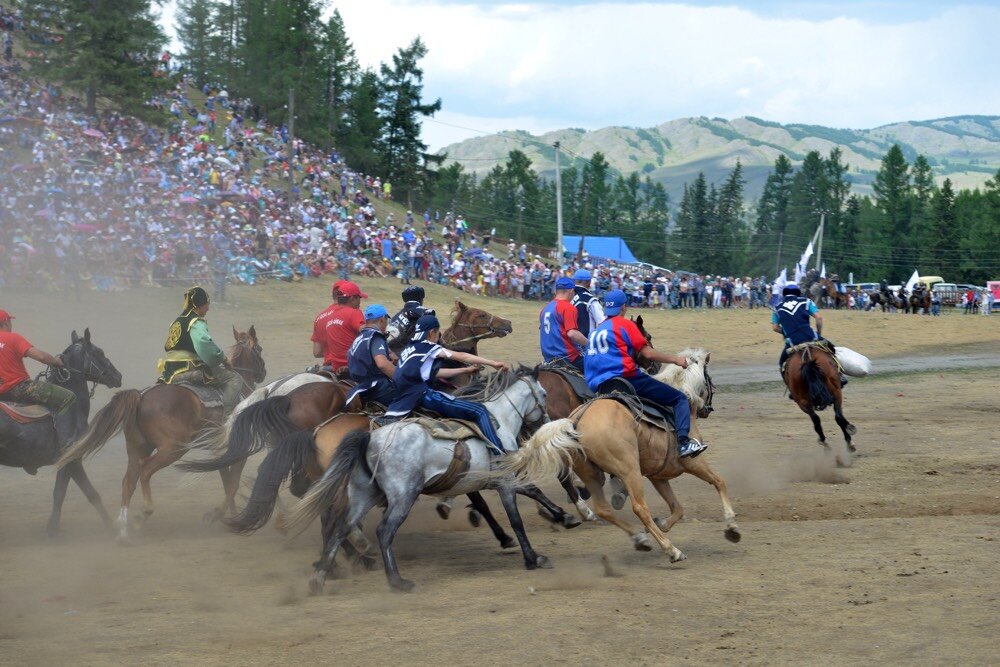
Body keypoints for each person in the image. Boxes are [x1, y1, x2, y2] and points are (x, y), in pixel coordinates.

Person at [585, 290, 706, 459]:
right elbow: (647, 354)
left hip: (599, 386)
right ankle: (684, 443)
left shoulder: (595, 332)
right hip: (626, 380)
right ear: (624, 307)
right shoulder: (626, 325)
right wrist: (676, 360)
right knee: (679, 399)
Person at [384, 315, 510, 455]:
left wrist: (465, 370)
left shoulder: (410, 349)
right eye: (438, 333)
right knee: (480, 411)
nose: (439, 337)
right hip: (422, 396)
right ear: (432, 333)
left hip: (401, 400)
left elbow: (433, 373)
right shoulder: (427, 346)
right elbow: (462, 356)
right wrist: (493, 363)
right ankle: (500, 455)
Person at [157, 287, 243, 415]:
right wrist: (223, 359)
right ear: (199, 305)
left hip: (170, 372)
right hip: (189, 370)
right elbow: (205, 346)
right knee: (235, 378)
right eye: (207, 305)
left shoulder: (176, 322)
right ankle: (227, 419)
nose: (208, 309)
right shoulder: (195, 321)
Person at [0, 310, 75, 414]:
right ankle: (58, 428)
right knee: (68, 397)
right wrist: (56, 361)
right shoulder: (13, 338)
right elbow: (42, 357)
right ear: (6, 322)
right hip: (19, 388)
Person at [772, 284, 847, 386]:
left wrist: (786, 332)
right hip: (811, 337)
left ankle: (791, 387)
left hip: (792, 342)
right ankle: (840, 375)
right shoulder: (806, 301)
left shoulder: (777, 308)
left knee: (782, 364)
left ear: (784, 294)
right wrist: (818, 334)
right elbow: (819, 318)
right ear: (798, 293)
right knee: (831, 349)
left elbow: (775, 328)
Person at [345, 304, 397, 408]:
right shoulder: (376, 336)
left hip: (360, 386)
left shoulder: (360, 337)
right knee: (417, 394)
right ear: (382, 319)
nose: (386, 324)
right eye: (386, 320)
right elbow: (382, 364)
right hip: (377, 387)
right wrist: (402, 377)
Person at [312, 280, 367, 373]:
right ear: (351, 298)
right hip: (350, 365)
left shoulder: (319, 318)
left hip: (329, 367)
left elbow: (317, 352)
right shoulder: (352, 312)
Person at [540, 276, 588, 373]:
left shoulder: (545, 308)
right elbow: (572, 333)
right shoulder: (568, 307)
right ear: (571, 291)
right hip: (567, 357)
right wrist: (590, 343)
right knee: (597, 367)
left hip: (548, 357)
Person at [570, 269, 605, 339]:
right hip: (585, 342)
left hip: (568, 342)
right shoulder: (590, 299)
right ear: (589, 282)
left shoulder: (567, 296)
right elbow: (602, 321)